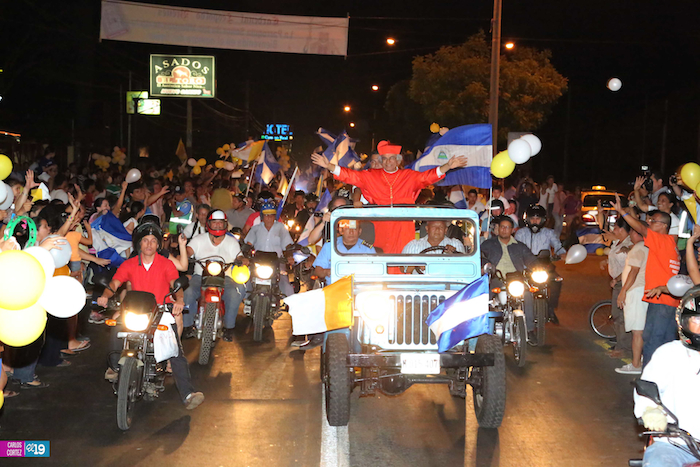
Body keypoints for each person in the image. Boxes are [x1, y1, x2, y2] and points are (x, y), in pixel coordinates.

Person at [97, 221, 204, 410]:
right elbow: (115, 283)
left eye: (153, 241)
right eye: (145, 240)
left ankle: (188, 394)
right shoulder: (129, 264)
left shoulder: (166, 264)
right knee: (115, 326)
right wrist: (105, 295)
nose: (149, 244)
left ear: (158, 244)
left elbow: (175, 284)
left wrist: (179, 300)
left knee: (175, 349)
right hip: (135, 311)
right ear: (139, 243)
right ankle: (114, 367)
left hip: (160, 311)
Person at [311, 140, 468, 254]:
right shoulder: (371, 175)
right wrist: (329, 166)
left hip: (404, 224)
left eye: (391, 158)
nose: (388, 162)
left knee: (405, 257)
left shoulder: (408, 176)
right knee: (381, 257)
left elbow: (428, 176)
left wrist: (448, 166)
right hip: (381, 223)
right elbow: (350, 176)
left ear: (397, 160)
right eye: (384, 158)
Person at [632, 293, 700, 467]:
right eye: (697, 319)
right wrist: (650, 410)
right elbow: (648, 386)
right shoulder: (670, 353)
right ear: (684, 322)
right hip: (675, 444)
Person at [613, 194, 680, 368]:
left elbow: (641, 229)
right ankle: (663, 375)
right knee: (664, 340)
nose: (649, 222)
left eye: (653, 221)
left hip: (661, 300)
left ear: (664, 226)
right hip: (665, 299)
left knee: (652, 339)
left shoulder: (662, 240)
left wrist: (622, 212)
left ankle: (649, 376)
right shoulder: (669, 243)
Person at [304, 219, 376, 348]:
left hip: (360, 293)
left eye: (354, 229)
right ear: (341, 230)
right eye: (348, 229)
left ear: (360, 231)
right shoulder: (330, 246)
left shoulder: (368, 250)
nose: (351, 232)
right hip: (335, 292)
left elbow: (375, 275)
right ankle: (321, 340)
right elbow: (318, 270)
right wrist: (326, 271)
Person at [184, 209, 247, 342]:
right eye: (214, 222)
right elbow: (189, 250)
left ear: (225, 224)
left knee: (234, 294)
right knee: (188, 291)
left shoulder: (231, 242)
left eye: (220, 223)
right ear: (209, 224)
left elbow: (239, 256)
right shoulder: (199, 239)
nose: (217, 225)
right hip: (200, 276)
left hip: (225, 278)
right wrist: (185, 253)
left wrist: (242, 260)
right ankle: (187, 326)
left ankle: (229, 328)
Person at [481, 216, 538, 339]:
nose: (504, 229)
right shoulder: (488, 244)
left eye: (507, 227)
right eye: (502, 227)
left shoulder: (519, 246)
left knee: (527, 295)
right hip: (496, 278)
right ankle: (482, 329)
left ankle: (529, 329)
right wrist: (485, 266)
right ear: (498, 229)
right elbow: (481, 256)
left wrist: (538, 267)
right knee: (485, 297)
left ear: (512, 230)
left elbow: (531, 259)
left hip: (516, 280)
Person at [514, 204, 566, 324]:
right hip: (526, 267)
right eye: (532, 218)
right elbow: (515, 247)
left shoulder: (549, 233)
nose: (535, 221)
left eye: (538, 219)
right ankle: (515, 309)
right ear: (527, 219)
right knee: (514, 284)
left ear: (543, 220)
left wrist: (562, 254)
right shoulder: (521, 233)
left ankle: (551, 309)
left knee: (557, 281)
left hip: (544, 267)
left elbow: (558, 246)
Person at [615, 224, 649, 374]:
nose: (630, 235)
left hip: (636, 291)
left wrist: (623, 291)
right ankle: (639, 360)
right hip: (642, 291)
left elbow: (634, 271)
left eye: (632, 232)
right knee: (640, 329)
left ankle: (636, 365)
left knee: (637, 331)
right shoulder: (647, 247)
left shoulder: (638, 248)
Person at [244, 201, 294, 297]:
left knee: (285, 283)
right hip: (258, 261)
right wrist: (245, 254)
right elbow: (248, 244)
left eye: (271, 215)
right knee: (248, 280)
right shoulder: (255, 228)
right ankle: (246, 299)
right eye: (266, 215)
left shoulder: (281, 228)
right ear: (262, 216)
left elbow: (287, 245)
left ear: (275, 216)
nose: (269, 218)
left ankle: (291, 303)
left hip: (277, 261)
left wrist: (289, 257)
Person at [604, 217, 634, 357]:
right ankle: (620, 344)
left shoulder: (630, 244)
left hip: (624, 281)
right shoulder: (618, 242)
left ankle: (625, 348)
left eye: (615, 227)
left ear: (622, 229)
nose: (613, 230)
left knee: (622, 316)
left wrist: (617, 279)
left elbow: (631, 266)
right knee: (617, 316)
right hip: (617, 282)